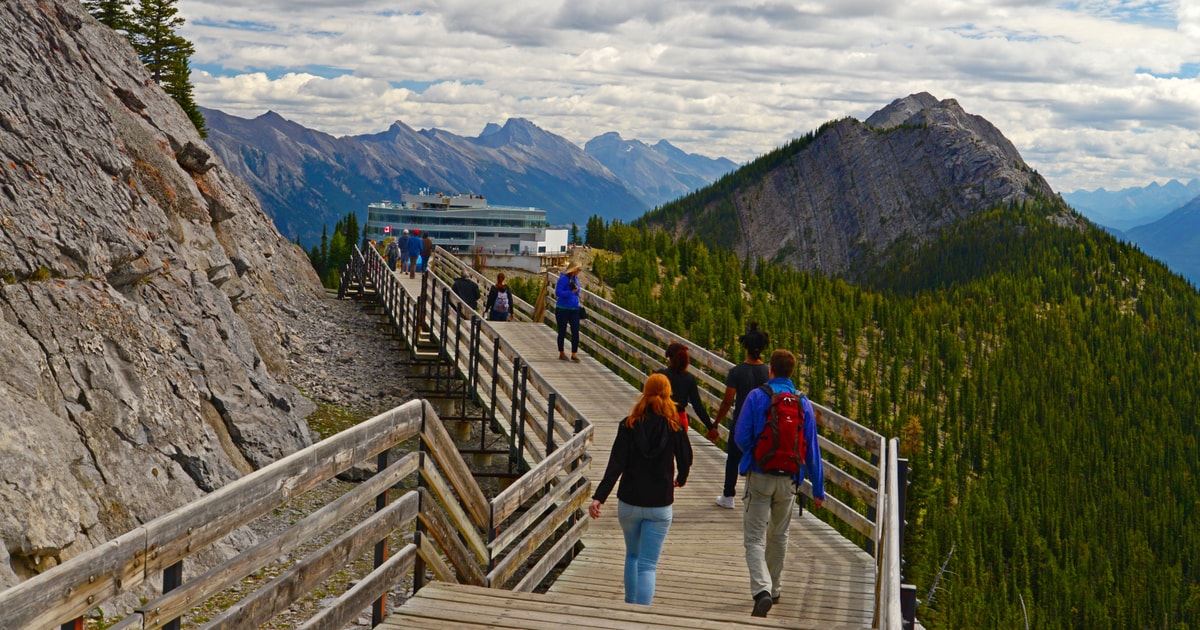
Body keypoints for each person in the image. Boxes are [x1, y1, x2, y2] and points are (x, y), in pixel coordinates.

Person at [734, 349, 825, 617]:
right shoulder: (803, 403)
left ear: (770, 370)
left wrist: (756, 452)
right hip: (789, 480)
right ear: (792, 373)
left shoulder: (757, 396)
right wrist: (818, 490)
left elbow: (740, 436)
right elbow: (812, 451)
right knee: (779, 535)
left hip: (760, 475)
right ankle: (774, 589)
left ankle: (761, 590)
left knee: (754, 538)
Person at [589, 373, 692, 606]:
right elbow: (686, 458)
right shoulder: (674, 426)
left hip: (629, 502)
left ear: (645, 392)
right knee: (648, 565)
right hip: (659, 504)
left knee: (632, 556)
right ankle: (641, 615)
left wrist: (599, 497)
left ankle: (629, 607)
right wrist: (681, 478)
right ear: (668, 394)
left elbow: (616, 463)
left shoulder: (629, 424)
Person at [712, 323, 771, 509]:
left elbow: (728, 401)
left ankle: (728, 495)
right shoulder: (768, 372)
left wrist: (715, 423)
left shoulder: (736, 372)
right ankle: (755, 497)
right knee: (759, 458)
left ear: (745, 347)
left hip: (740, 422)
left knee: (733, 458)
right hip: (762, 423)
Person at [655, 343, 716, 437]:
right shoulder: (689, 378)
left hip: (663, 419)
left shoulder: (661, 375)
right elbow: (698, 406)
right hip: (681, 420)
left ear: (670, 358)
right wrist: (710, 427)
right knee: (680, 449)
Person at [555, 261, 582, 362]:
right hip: (563, 308)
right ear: (573, 269)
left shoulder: (575, 279)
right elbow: (558, 292)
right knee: (562, 331)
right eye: (578, 269)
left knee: (575, 331)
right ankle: (561, 352)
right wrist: (570, 292)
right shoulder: (563, 279)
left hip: (574, 308)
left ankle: (574, 354)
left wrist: (576, 290)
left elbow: (578, 290)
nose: (579, 271)